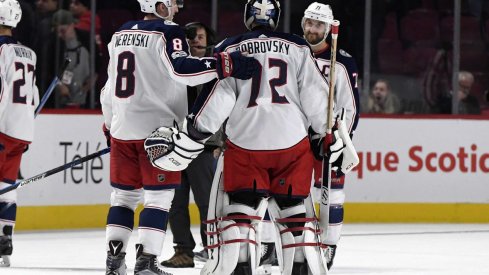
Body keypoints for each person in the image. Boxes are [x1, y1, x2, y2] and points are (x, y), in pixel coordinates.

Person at [149, 0, 344, 273]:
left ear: (247, 17)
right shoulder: (298, 47)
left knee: (240, 219)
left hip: (246, 147)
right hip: (292, 148)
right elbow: (316, 97)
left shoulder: (230, 47)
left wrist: (195, 133)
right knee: (296, 220)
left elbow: (219, 99)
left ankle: (239, 264)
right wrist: (325, 134)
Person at [100, 0, 257, 274]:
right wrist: (225, 64)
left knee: (122, 199)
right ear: (158, 4)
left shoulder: (119, 34)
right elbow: (182, 70)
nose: (176, 9)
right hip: (158, 133)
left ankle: (114, 262)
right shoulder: (168, 31)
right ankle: (146, 263)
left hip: (122, 130)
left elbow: (108, 88)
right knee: (158, 200)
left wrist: (108, 126)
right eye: (172, 3)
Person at [300, 2, 360, 270]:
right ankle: (296, 246)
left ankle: (328, 247)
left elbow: (351, 107)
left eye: (319, 25)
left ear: (329, 28)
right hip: (295, 137)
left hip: (329, 139)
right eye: (309, 23)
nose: (313, 29)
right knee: (292, 194)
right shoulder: (295, 53)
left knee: (333, 195)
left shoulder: (343, 61)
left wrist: (341, 140)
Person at [161, 21, 221, 268]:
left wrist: (223, 141)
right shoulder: (173, 67)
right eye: (190, 37)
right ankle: (183, 250)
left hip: (204, 145)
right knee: (176, 202)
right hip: (175, 143)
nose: (195, 41)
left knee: (207, 201)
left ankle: (213, 249)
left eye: (200, 36)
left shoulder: (214, 68)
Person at [0, 0, 40, 267]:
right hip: (21, 130)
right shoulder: (29, 53)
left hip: (2, 127)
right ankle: (5, 238)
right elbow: (33, 96)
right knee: (6, 186)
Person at [52, 10, 90, 108]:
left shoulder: (87, 42)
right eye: (57, 32)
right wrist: (59, 85)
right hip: (62, 100)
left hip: (85, 100)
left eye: (63, 31)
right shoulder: (55, 46)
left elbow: (98, 67)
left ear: (72, 25)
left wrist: (89, 84)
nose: (60, 35)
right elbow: (48, 70)